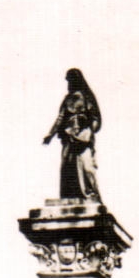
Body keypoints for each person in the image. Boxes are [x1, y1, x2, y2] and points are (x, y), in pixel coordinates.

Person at [43, 68, 102, 199]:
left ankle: (91, 193)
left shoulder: (87, 98)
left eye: (71, 80)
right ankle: (70, 196)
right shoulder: (67, 100)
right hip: (68, 136)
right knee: (67, 167)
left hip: (83, 136)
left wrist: (89, 131)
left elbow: (95, 119)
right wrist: (50, 134)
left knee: (87, 167)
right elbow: (60, 118)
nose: (70, 83)